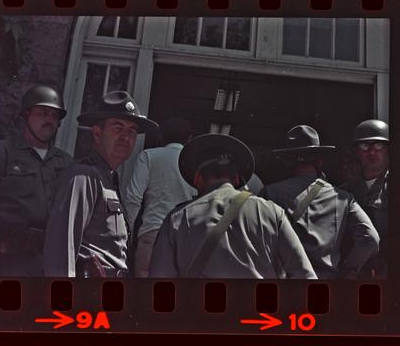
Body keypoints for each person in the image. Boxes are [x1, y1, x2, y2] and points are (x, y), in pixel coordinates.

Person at [149, 133, 317, 279]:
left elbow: (159, 282)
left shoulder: (177, 219)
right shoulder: (273, 213)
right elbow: (305, 276)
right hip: (260, 316)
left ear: (197, 179)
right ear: (236, 179)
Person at [43, 91, 158, 277]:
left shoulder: (109, 179)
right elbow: (61, 248)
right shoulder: (83, 176)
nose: (125, 137)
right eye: (118, 128)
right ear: (97, 133)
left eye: (132, 131)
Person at [259, 125, 380, 279]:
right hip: (327, 287)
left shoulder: (269, 193)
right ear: (320, 161)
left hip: (287, 286)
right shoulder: (343, 197)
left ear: (287, 162)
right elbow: (371, 239)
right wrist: (348, 269)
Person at [0, 85, 73, 276]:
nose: (50, 120)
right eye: (43, 113)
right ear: (27, 115)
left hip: (49, 261)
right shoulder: (3, 151)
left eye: (55, 116)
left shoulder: (65, 162)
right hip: (7, 258)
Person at [124, 117, 196, 277]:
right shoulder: (194, 163)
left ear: (160, 137)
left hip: (152, 233)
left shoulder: (149, 156)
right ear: (189, 138)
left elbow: (133, 198)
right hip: (184, 238)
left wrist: (127, 233)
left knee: (143, 292)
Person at [342, 119, 389, 278]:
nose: (371, 152)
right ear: (356, 151)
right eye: (364, 146)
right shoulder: (344, 193)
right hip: (356, 273)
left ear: (388, 150)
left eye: (378, 145)